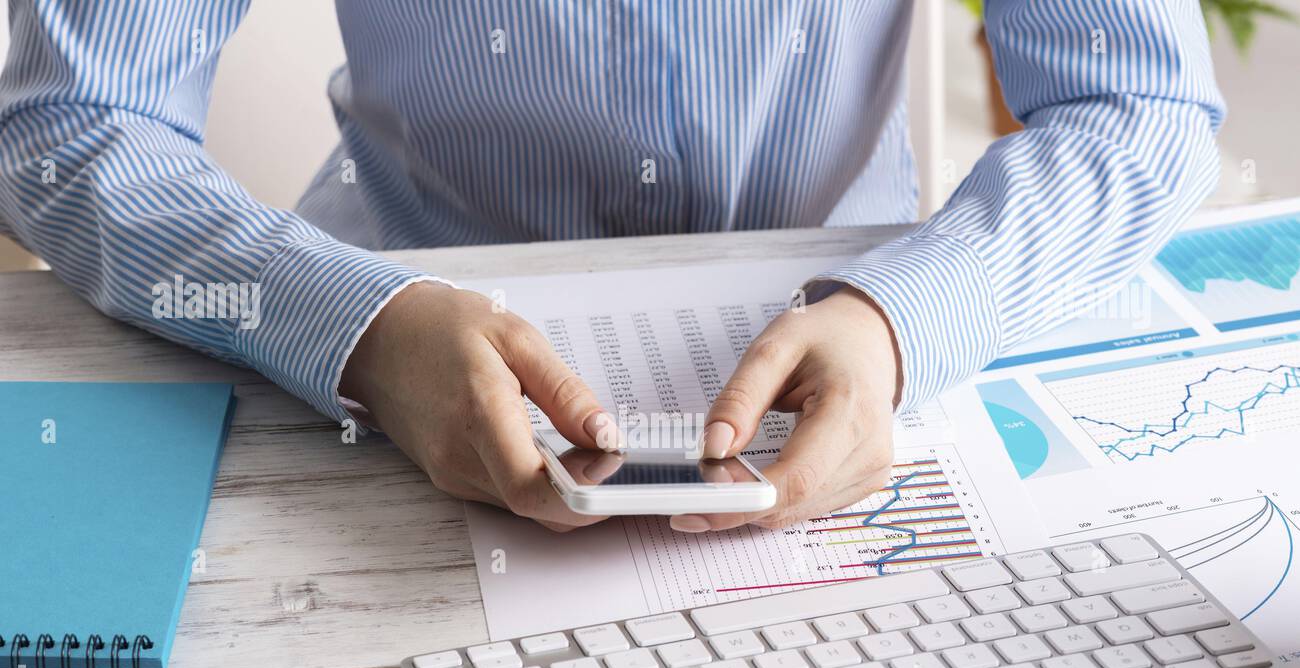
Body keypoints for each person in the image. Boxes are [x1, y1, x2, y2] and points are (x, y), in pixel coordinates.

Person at [0, 1, 1223, 534]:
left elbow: (1139, 101)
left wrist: (905, 322)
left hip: (868, 384)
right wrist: (357, 327)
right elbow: (68, 125)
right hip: (371, 409)